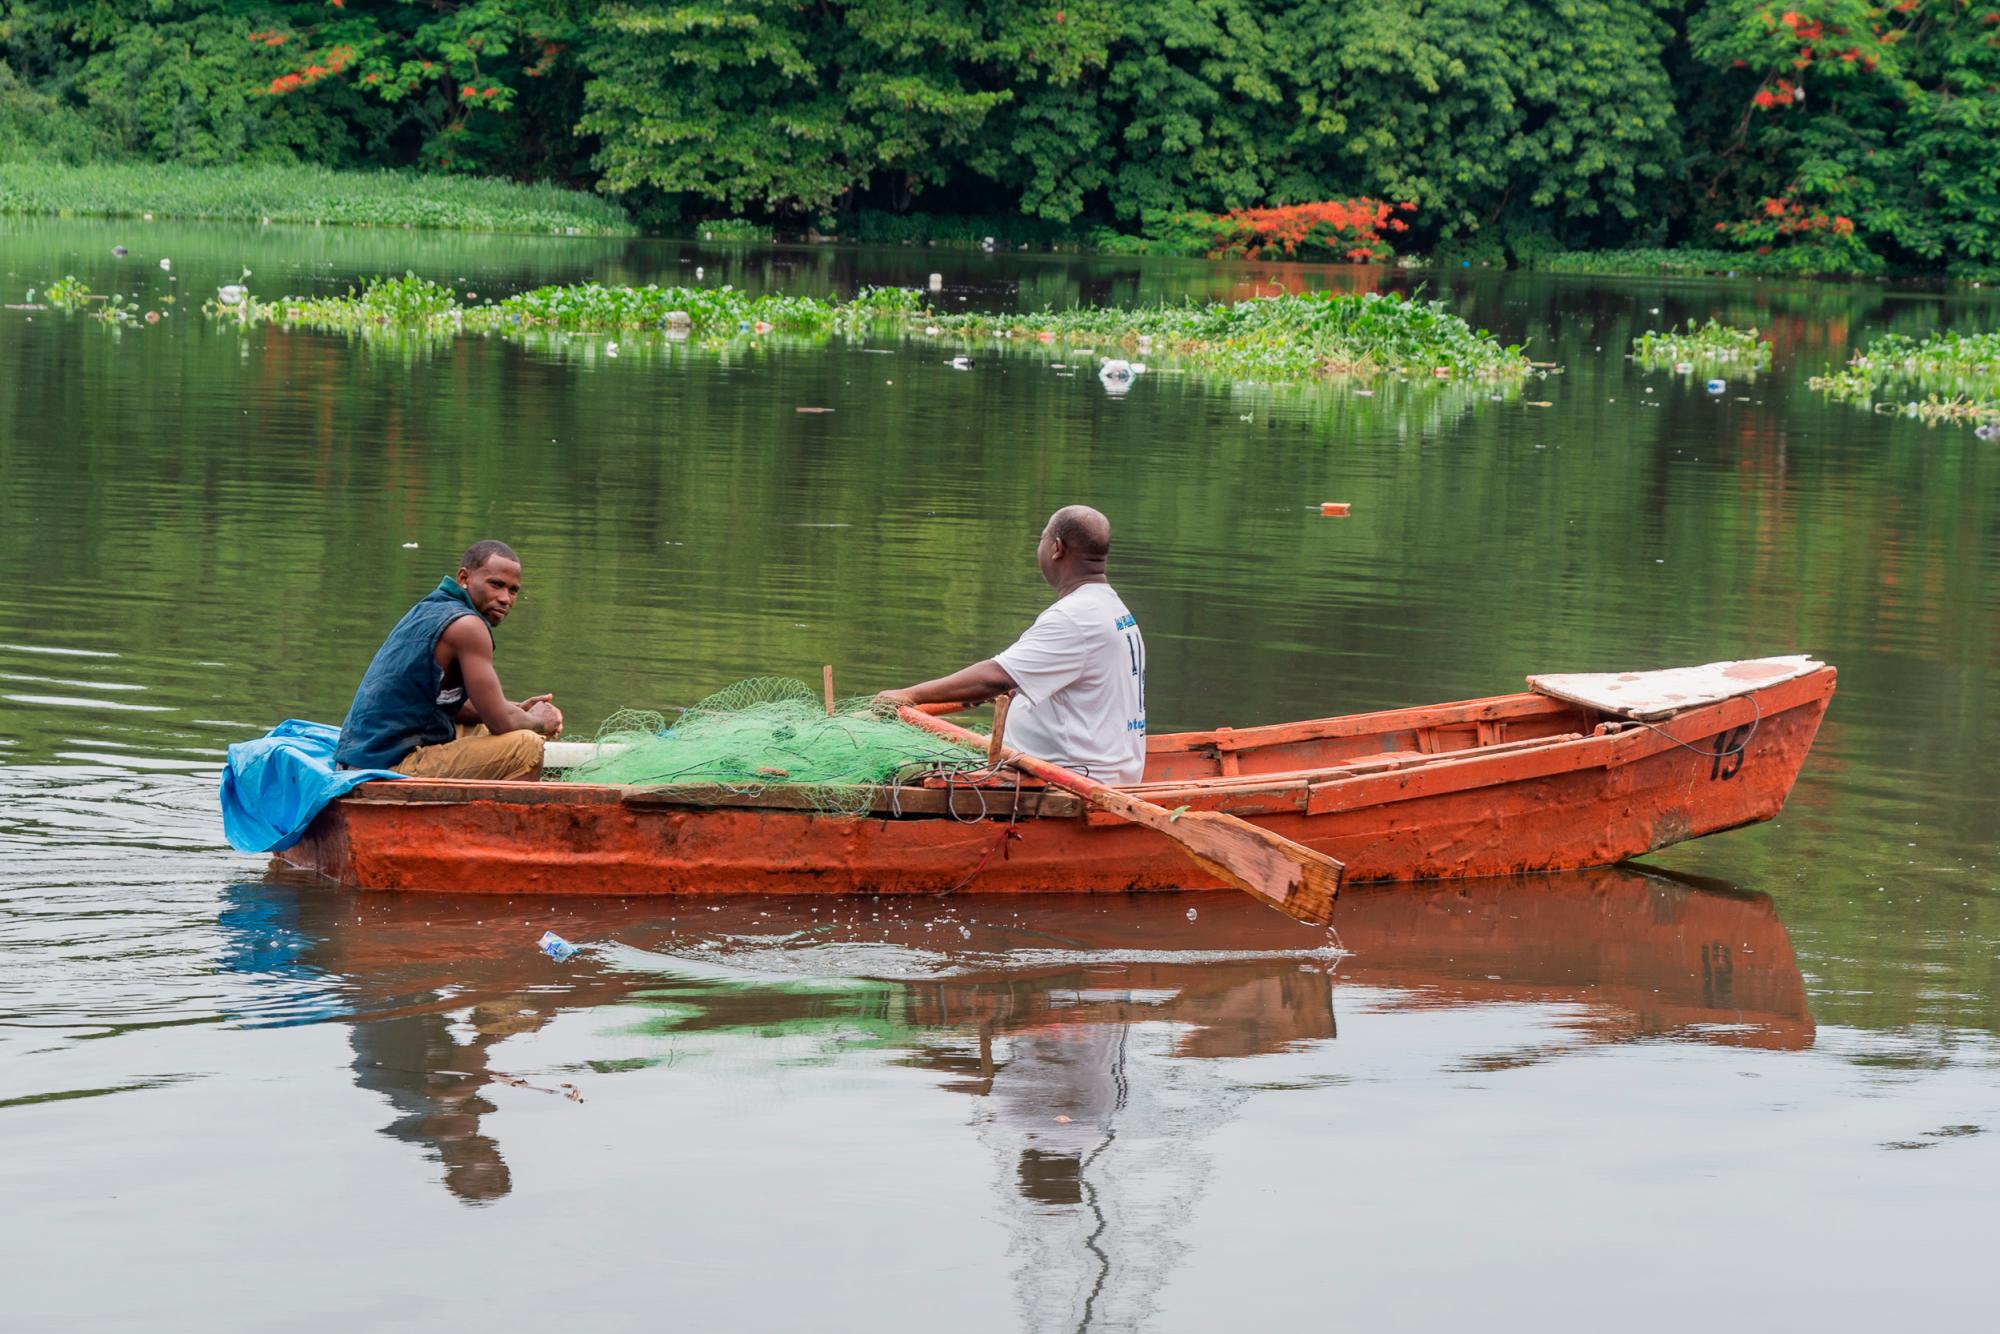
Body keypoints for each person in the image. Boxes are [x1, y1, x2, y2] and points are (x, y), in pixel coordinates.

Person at [878, 505, 1147, 784]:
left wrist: (907, 695)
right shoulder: (1110, 606)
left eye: (1042, 538)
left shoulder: (1074, 616)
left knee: (901, 770)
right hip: (1102, 767)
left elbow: (995, 677)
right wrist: (1013, 686)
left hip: (1072, 776)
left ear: (1056, 548)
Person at [334, 540, 562, 781]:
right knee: (525, 745)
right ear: (464, 578)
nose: (505, 598)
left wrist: (517, 710)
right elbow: (501, 723)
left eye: (513, 590)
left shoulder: (432, 608)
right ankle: (508, 818)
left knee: (486, 728)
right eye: (496, 585)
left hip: (356, 759)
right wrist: (539, 721)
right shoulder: (469, 627)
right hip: (385, 768)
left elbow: (443, 704)